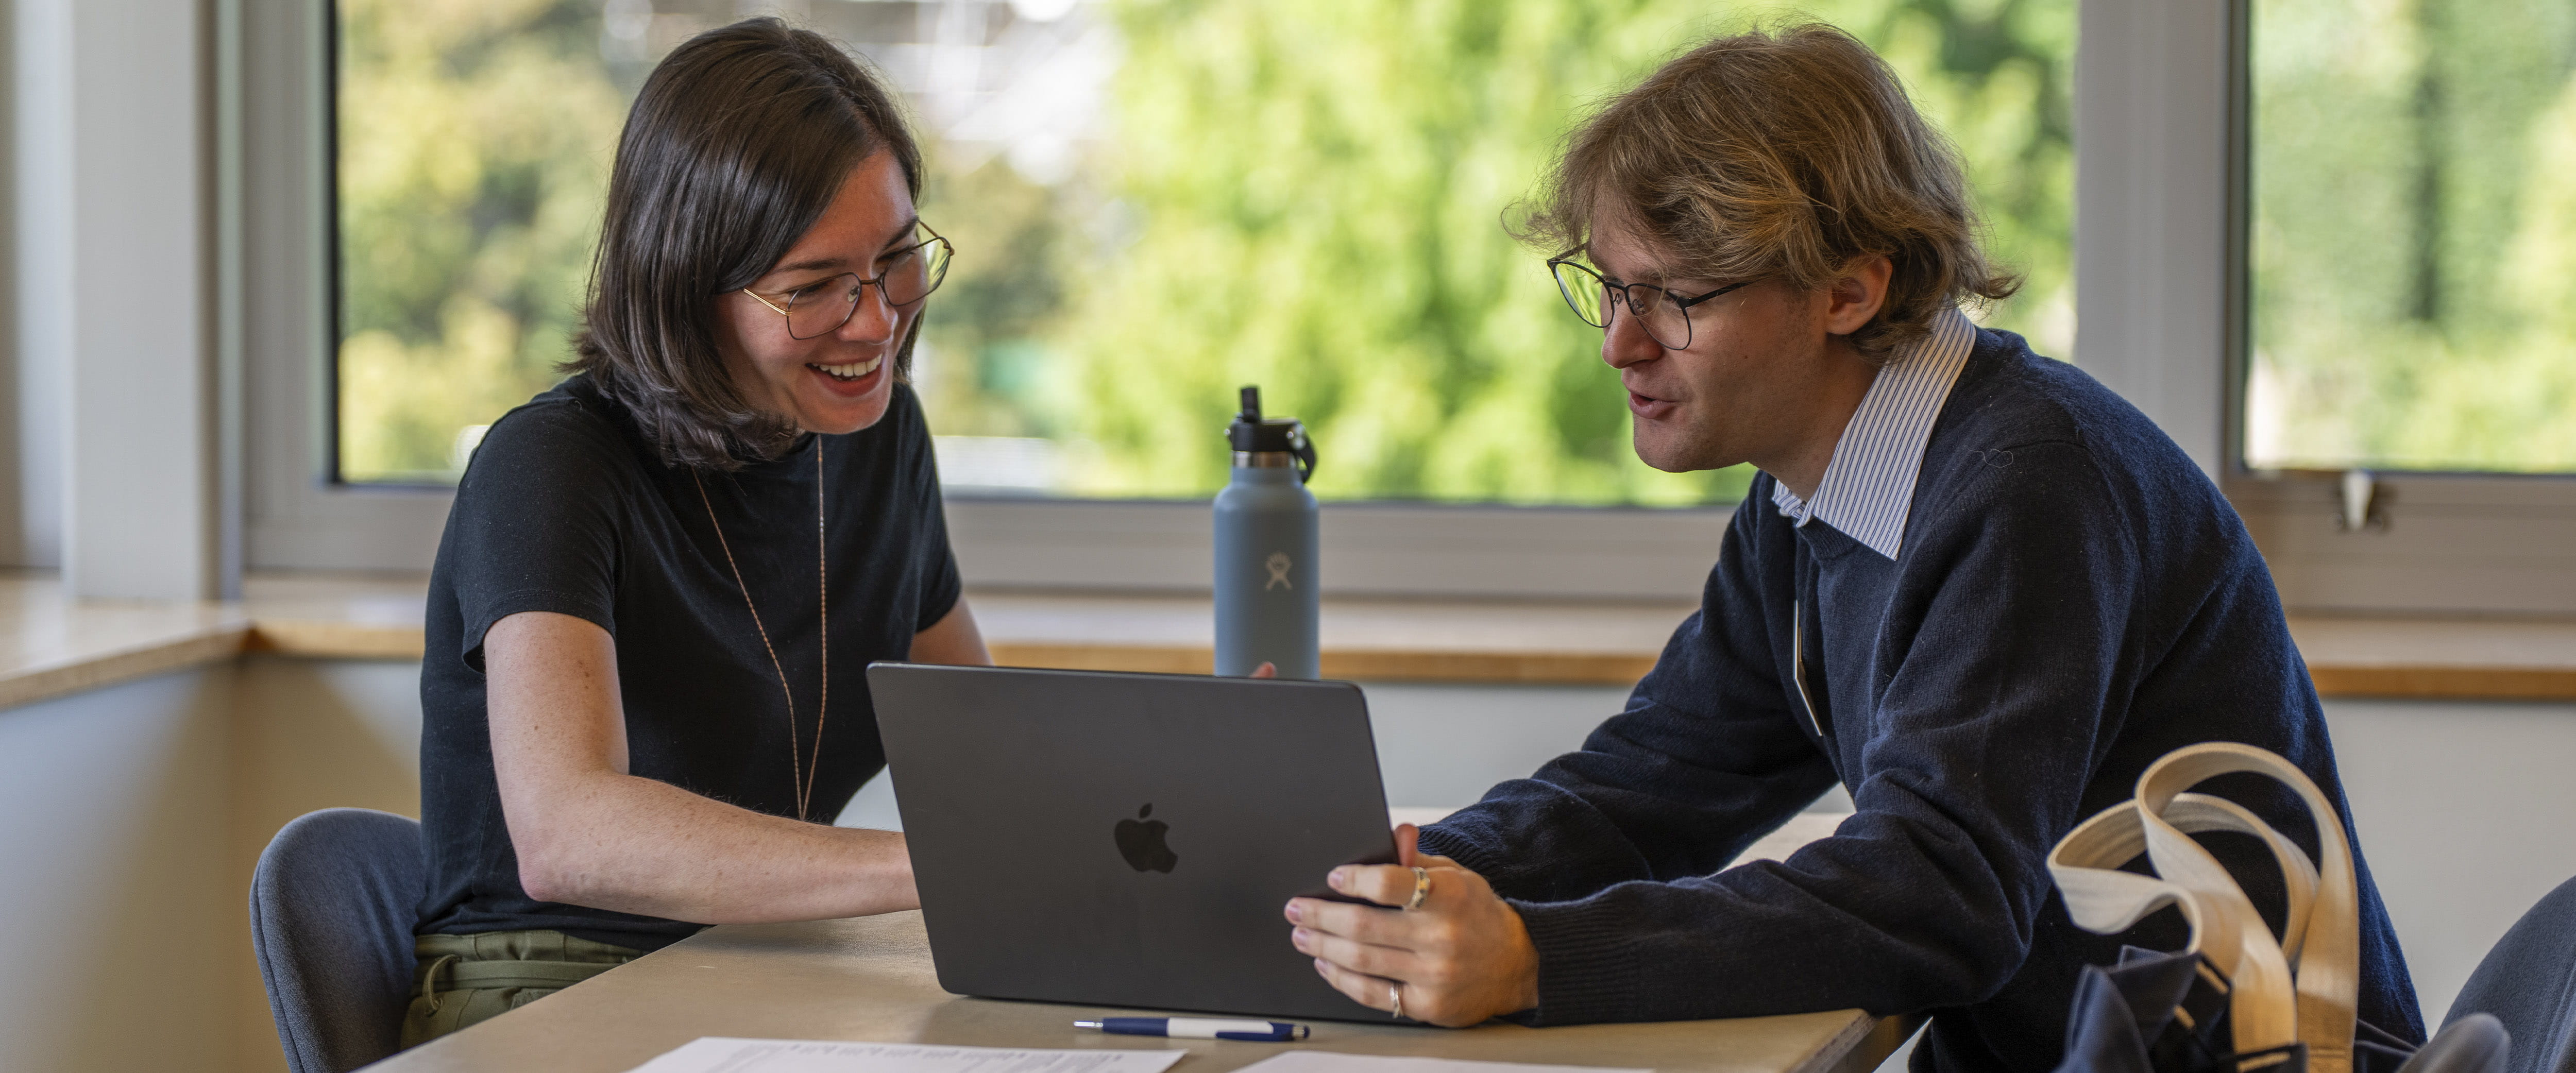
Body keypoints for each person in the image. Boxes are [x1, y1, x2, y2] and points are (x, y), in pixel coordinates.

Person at [1282, 24, 2425, 1072]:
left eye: (1675, 297)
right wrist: (1398, 872)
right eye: (1609, 288)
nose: (1620, 344)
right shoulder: (1814, 492)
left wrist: (1540, 958)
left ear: (1848, 290)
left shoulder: (2027, 487)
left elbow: (1934, 892)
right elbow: (1660, 779)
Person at [404, 20, 988, 1046]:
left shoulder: (878, 435)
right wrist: (940, 862)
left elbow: (983, 742)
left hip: (758, 967)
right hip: (545, 991)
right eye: (812, 288)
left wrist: (1171, 781)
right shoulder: (552, 467)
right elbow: (568, 834)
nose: (876, 322)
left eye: (896, 260)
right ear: (685, 289)